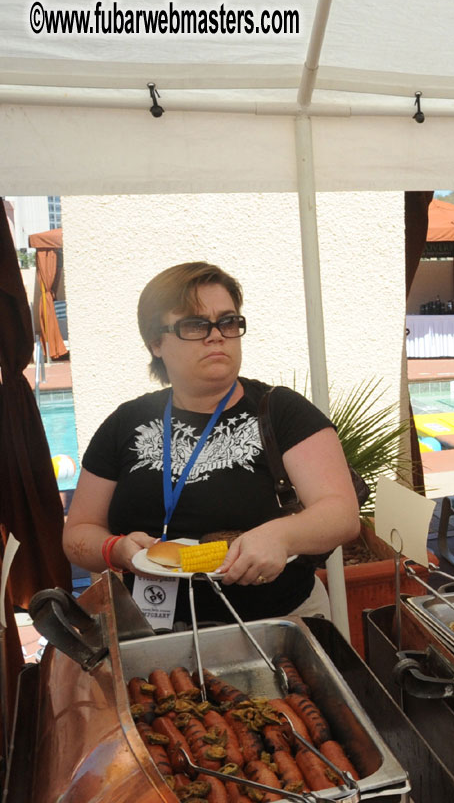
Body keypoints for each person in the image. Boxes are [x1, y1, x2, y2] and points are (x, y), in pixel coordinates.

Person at [63, 262, 360, 624]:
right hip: (148, 631)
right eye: (194, 324)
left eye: (228, 321)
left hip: (279, 624)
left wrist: (281, 535)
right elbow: (78, 532)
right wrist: (116, 550)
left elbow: (342, 514)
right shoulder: (126, 422)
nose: (216, 335)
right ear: (156, 342)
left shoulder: (280, 411)